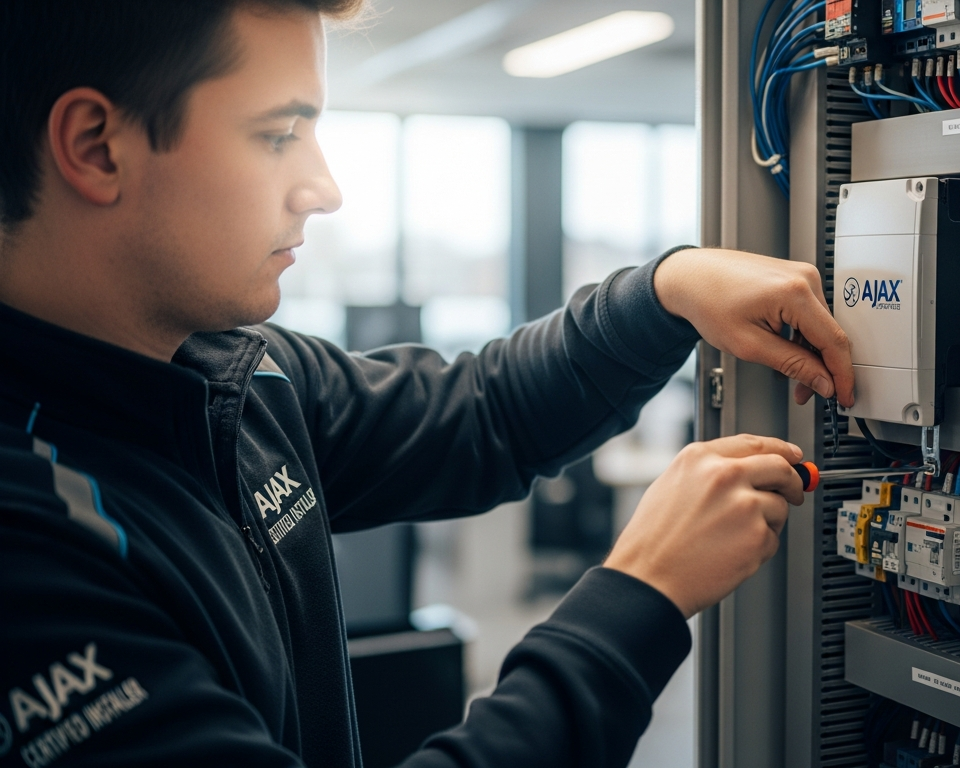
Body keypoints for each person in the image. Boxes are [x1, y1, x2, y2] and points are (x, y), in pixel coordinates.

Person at [0, 1, 855, 766]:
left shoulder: (235, 370)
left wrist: (667, 293)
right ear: (94, 147)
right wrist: (639, 597)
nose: (323, 189)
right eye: (276, 134)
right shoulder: (30, 546)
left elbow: (481, 414)